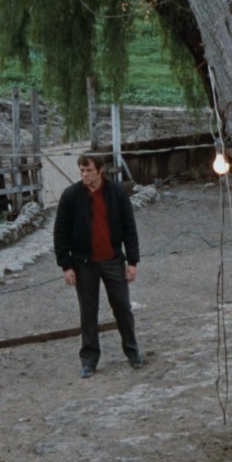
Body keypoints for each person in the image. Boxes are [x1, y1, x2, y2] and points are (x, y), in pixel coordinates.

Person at [54, 155, 143, 379]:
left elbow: (129, 228)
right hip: (84, 263)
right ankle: (89, 360)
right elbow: (60, 232)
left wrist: (132, 261)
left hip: (113, 260)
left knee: (122, 307)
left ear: (100, 170)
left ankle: (132, 352)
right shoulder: (71, 196)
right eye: (82, 170)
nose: (84, 175)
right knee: (88, 312)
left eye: (89, 170)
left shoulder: (117, 193)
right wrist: (66, 265)